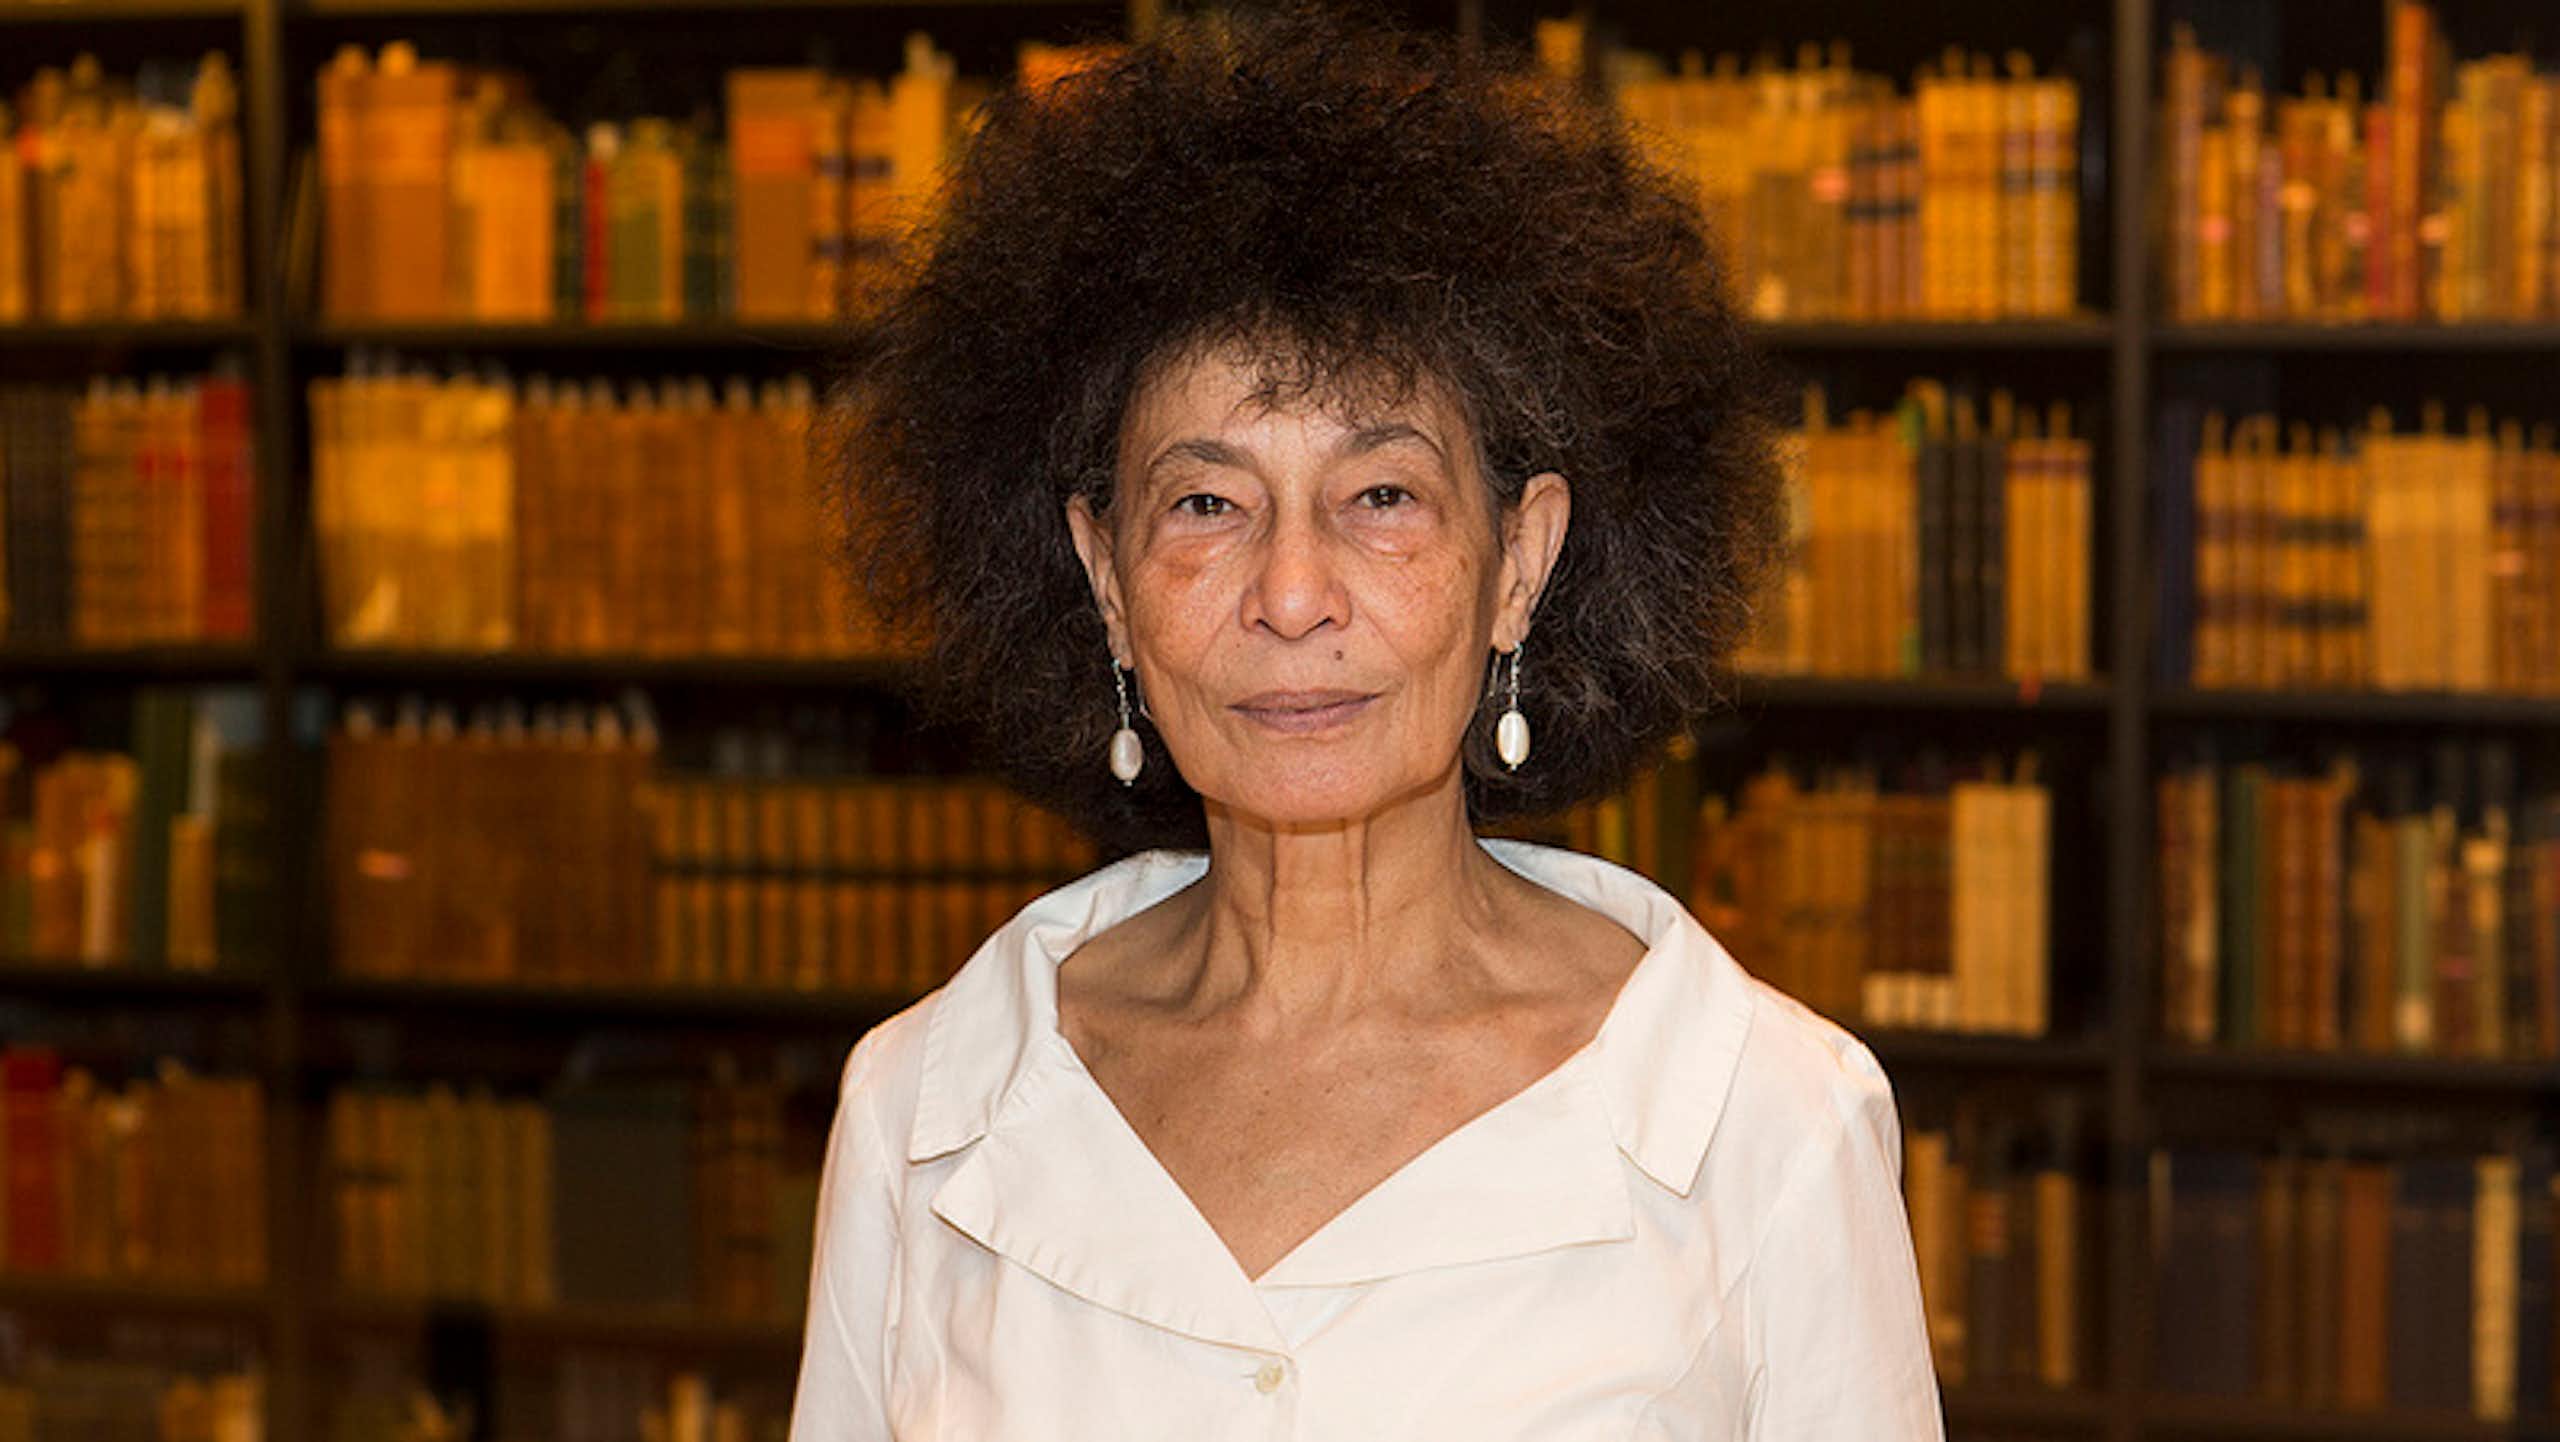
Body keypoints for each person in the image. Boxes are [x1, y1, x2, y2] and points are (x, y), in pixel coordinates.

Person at [790, 7, 1944, 1438]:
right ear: (1105, 579)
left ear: (1519, 562)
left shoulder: (1766, 1123)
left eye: (1382, 495)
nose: (1289, 593)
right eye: (1206, 503)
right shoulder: (926, 1106)